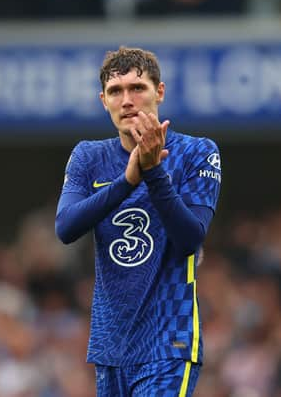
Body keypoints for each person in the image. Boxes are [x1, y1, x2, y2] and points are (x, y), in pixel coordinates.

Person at [55, 46, 221, 396]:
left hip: (169, 342)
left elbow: (191, 239)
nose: (126, 100)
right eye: (116, 91)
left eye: (137, 88)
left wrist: (153, 172)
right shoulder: (88, 156)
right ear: (103, 100)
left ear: (159, 92)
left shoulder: (197, 152)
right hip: (111, 345)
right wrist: (127, 181)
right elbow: (66, 227)